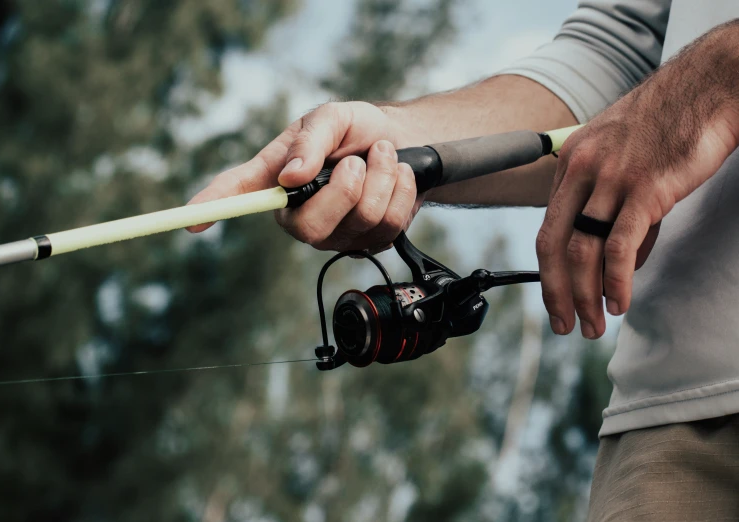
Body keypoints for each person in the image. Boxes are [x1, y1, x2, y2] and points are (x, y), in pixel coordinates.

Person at [188, 1, 739, 519]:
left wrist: (721, 71)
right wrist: (396, 150)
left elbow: (685, 86)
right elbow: (615, 61)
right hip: (667, 425)